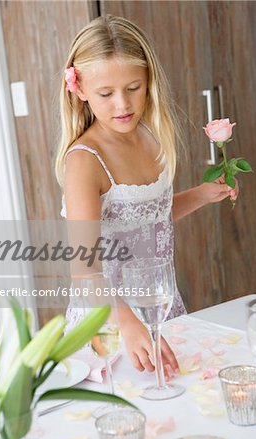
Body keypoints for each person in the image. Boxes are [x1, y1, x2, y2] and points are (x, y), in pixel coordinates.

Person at [55, 15, 238, 378]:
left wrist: (201, 195)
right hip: (108, 321)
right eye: (106, 94)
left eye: (133, 87)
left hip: (159, 306)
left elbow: (148, 217)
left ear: (148, 81)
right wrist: (125, 321)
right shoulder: (84, 162)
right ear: (80, 90)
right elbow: (84, 270)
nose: (122, 104)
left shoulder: (150, 136)